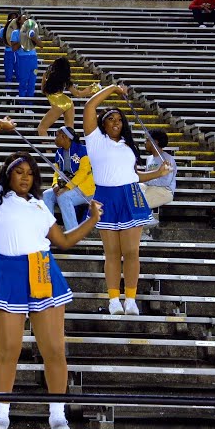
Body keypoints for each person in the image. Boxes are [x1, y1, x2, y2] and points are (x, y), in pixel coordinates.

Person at [0, 118, 101, 429]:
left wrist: (93, 220)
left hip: (43, 270)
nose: (25, 177)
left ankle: (58, 417)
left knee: (54, 349)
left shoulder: (41, 206)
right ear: (8, 174)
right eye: (19, 171)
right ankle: (0, 416)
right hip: (7, 272)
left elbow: (64, 241)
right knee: (8, 349)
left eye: (30, 173)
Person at [83, 84, 171, 316]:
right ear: (103, 123)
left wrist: (158, 174)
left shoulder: (128, 146)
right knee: (111, 253)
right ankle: (114, 299)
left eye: (119, 120)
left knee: (132, 252)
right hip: (105, 197)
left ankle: (130, 299)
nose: (115, 123)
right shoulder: (95, 140)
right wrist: (112, 88)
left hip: (131, 195)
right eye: (111, 119)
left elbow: (133, 175)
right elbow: (90, 105)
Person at [41, 127, 95, 232]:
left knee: (63, 197)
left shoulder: (82, 150)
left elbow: (83, 173)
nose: (55, 139)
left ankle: (73, 232)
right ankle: (50, 231)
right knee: (46, 195)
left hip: (85, 189)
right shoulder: (59, 153)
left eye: (57, 136)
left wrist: (66, 187)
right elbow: (56, 171)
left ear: (64, 137)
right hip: (65, 188)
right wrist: (55, 184)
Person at [36, 57, 98, 137]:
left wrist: (44, 78)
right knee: (70, 130)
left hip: (58, 104)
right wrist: (89, 91)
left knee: (41, 128)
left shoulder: (49, 76)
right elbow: (78, 94)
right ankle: (72, 148)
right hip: (68, 102)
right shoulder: (65, 79)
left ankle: (49, 149)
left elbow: (43, 91)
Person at [141, 129, 177, 235]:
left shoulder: (167, 159)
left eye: (147, 140)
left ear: (155, 142)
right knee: (132, 190)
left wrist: (147, 180)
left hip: (165, 191)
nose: (145, 143)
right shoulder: (149, 159)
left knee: (137, 201)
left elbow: (165, 182)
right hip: (151, 188)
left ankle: (147, 224)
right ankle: (146, 226)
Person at [0, 12, 20, 86]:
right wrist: (6, 40)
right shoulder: (3, 30)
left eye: (15, 19)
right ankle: (8, 89)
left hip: (18, 53)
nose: (13, 20)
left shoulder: (20, 31)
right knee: (8, 72)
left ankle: (19, 91)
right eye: (11, 18)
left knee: (19, 72)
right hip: (8, 52)